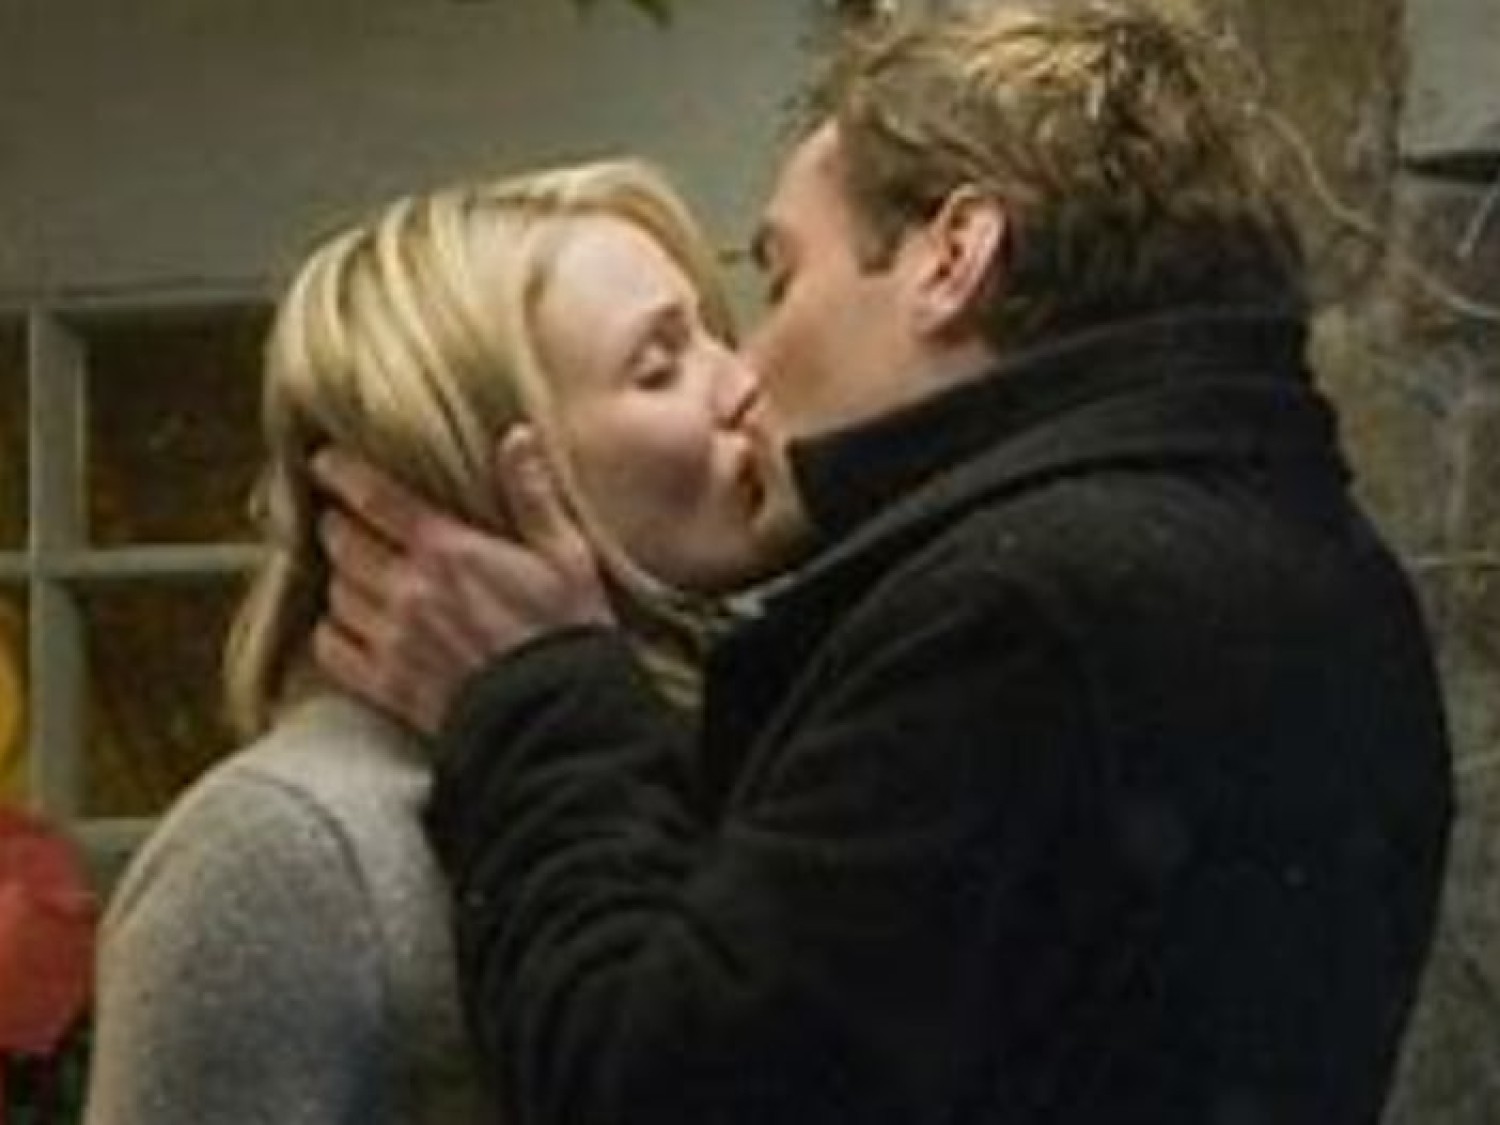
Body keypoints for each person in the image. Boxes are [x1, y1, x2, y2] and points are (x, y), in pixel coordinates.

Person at [313, 2, 1454, 1122]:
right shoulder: (1324, 562)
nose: (749, 367)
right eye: (664, 361)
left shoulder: (1022, 612)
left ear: (953, 257)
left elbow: (666, 1092)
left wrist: (541, 701)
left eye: (781, 280)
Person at [82, 156, 771, 1125]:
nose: (745, 383)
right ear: (475, 463)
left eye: (717, 333)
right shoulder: (286, 849)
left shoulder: (729, 746)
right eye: (660, 366)